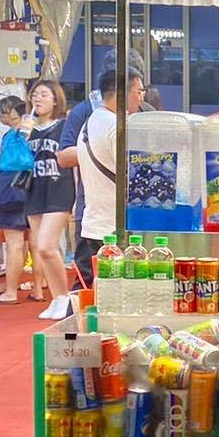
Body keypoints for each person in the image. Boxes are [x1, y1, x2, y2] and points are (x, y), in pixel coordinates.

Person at [72, 69, 144, 287]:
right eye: (139, 91)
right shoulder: (115, 126)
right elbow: (132, 175)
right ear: (122, 93)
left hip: (93, 225)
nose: (142, 98)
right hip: (112, 231)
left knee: (87, 297)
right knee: (107, 299)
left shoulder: (91, 122)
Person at [25, 80, 75, 320]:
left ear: (55, 99)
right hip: (33, 188)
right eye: (35, 95)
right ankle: (57, 297)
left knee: (47, 245)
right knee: (40, 249)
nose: (38, 99)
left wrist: (78, 199)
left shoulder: (64, 126)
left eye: (44, 94)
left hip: (59, 188)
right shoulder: (28, 128)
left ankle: (64, 296)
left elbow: (74, 161)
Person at [0, 96, 32, 306]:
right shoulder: (32, 129)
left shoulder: (14, 134)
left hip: (12, 189)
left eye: (3, 112)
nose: (1, 117)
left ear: (12, 112)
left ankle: (10, 291)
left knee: (14, 243)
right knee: (31, 241)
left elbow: (9, 162)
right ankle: (38, 288)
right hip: (30, 188)